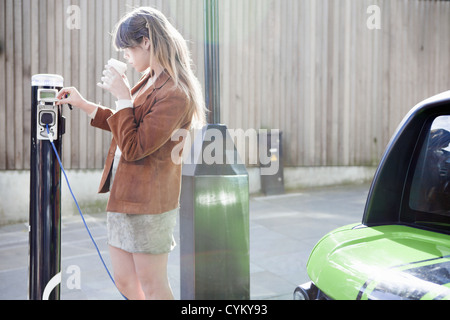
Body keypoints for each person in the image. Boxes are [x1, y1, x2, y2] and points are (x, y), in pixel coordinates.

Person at [56, 7, 206, 300]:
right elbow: (130, 124)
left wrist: (124, 95)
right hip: (124, 195)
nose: (125, 56)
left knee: (153, 287)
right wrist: (86, 104)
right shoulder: (150, 78)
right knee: (125, 282)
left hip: (150, 204)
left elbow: (135, 146)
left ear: (147, 41)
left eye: (128, 48)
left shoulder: (175, 92)